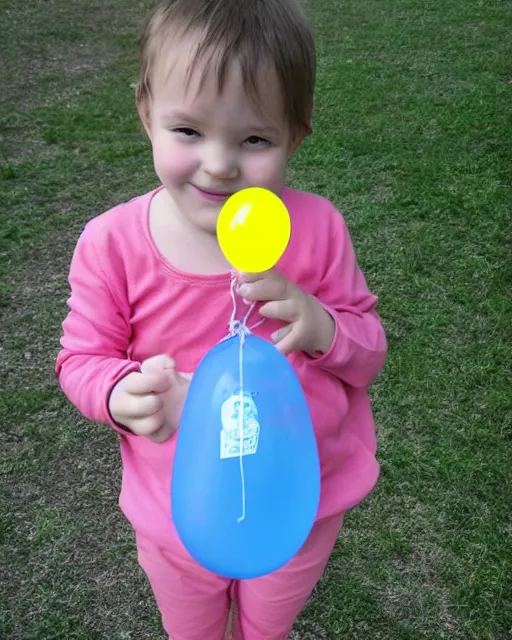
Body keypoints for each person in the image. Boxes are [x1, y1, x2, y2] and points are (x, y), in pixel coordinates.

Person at [55, 0, 387, 638]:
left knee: (267, 627)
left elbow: (369, 351)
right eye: (188, 131)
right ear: (147, 114)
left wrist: (323, 326)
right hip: (177, 513)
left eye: (254, 139)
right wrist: (121, 393)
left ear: (298, 132)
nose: (219, 163)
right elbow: (81, 359)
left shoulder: (317, 230)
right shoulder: (112, 243)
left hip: (299, 507)